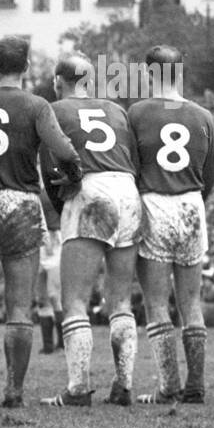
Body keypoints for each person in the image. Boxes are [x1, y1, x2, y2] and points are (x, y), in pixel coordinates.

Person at [0, 36, 82, 408]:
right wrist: (73, 176)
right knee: (19, 306)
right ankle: (14, 391)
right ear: (27, 67)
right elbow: (62, 149)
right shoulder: (37, 105)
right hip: (22, 203)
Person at [38, 55, 142, 406]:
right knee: (121, 300)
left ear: (58, 81)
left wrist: (63, 205)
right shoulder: (116, 110)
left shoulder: (53, 109)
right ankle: (124, 384)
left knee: (75, 301)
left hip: (91, 192)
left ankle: (78, 389)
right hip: (128, 190)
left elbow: (53, 170)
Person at [127, 46, 214, 404]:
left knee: (156, 302)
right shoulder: (203, 115)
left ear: (150, 74)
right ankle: (196, 384)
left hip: (154, 201)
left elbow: (132, 165)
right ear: (180, 72)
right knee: (191, 301)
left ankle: (169, 386)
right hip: (192, 204)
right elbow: (210, 176)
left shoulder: (137, 112)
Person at [35, 193, 63, 354]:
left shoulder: (52, 182)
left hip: (54, 238)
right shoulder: (31, 183)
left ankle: (61, 343)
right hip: (37, 239)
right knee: (41, 298)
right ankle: (47, 345)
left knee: (54, 294)